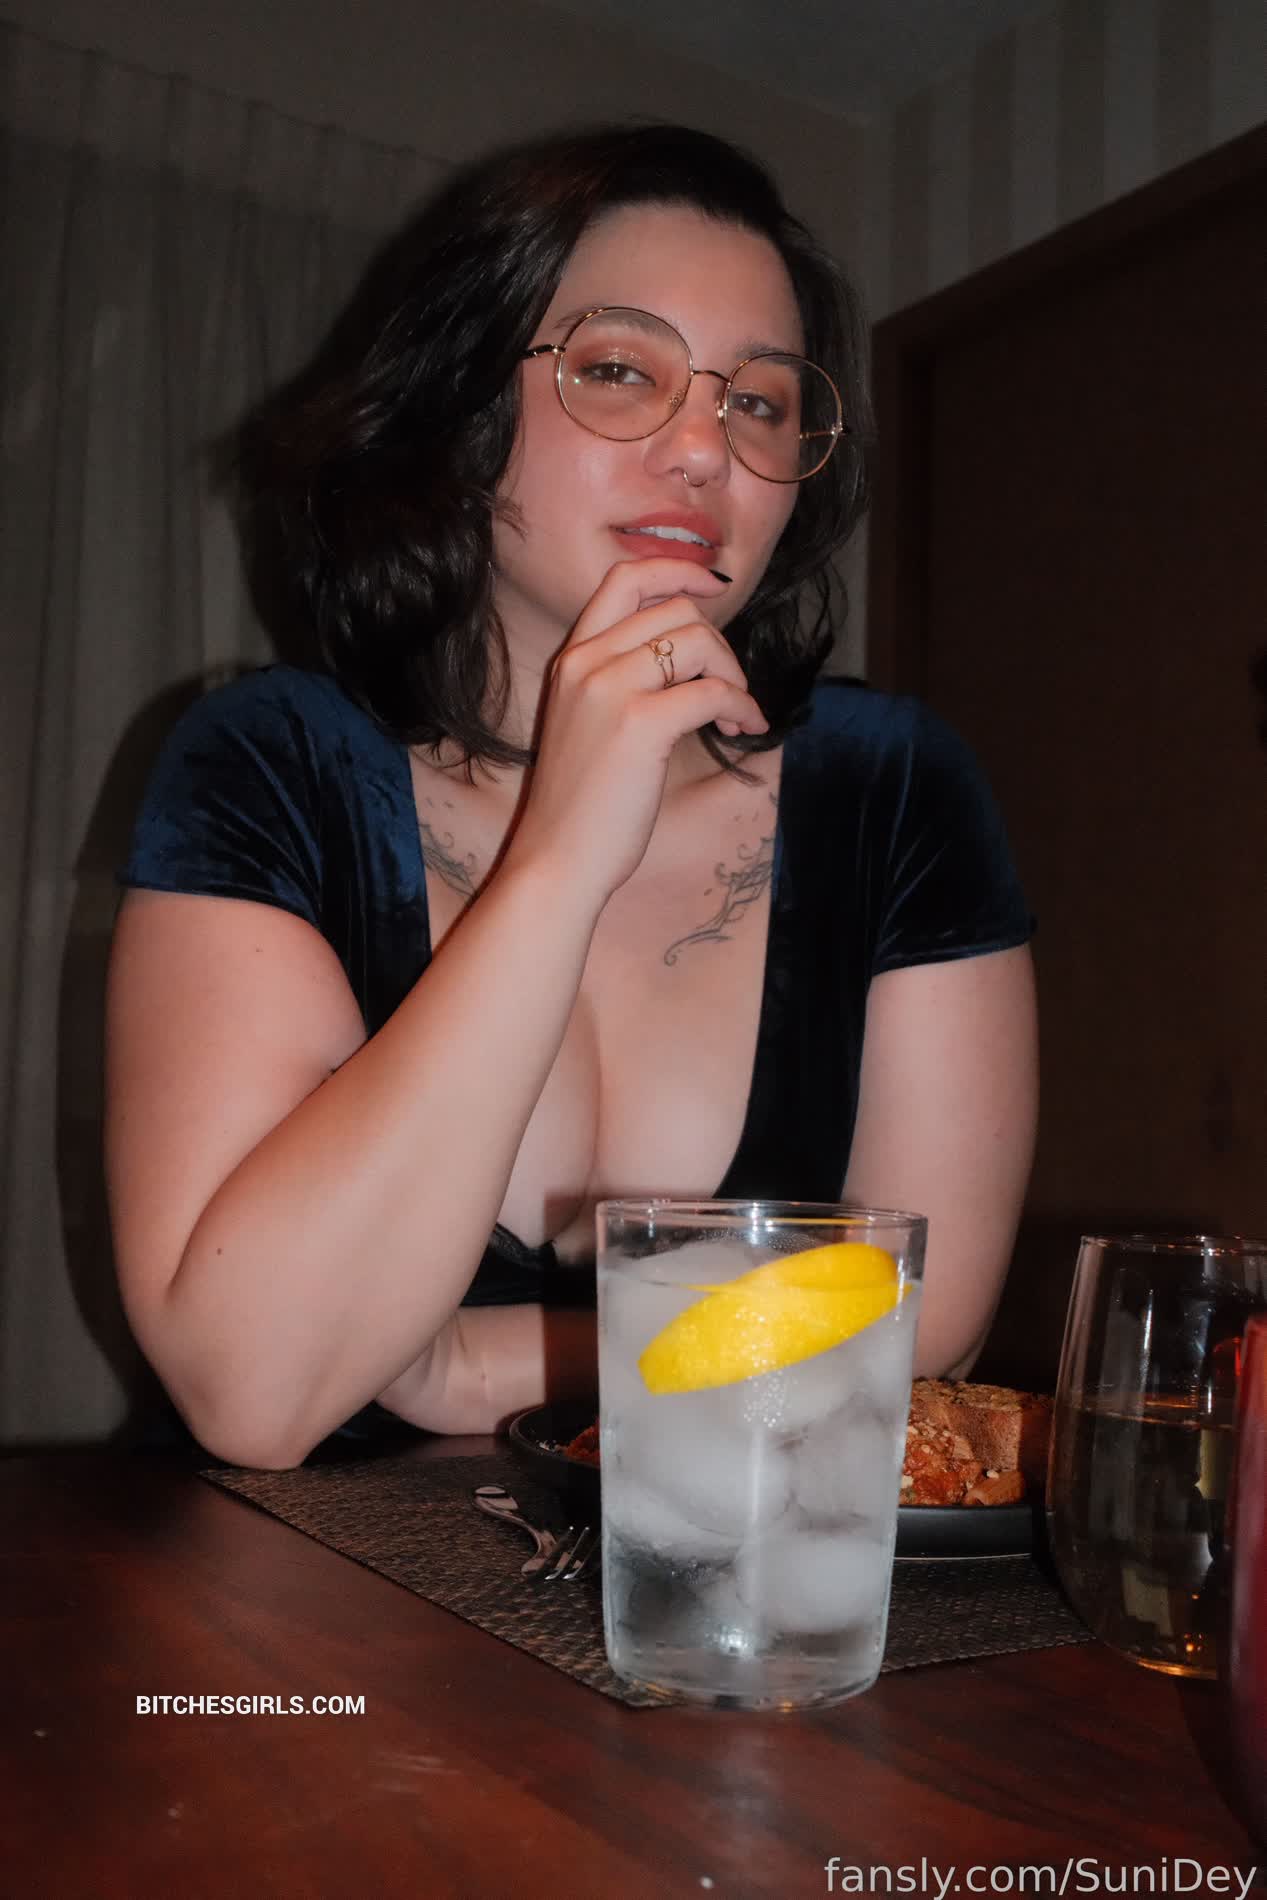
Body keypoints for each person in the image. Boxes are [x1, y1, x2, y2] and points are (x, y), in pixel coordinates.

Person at [105, 123, 1038, 1470]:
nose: (704, 449)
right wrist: (561, 862)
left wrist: (471, 1367)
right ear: (463, 412)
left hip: (733, 1586)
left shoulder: (892, 789)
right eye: (618, 370)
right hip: (290, 1597)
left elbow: (914, 1332)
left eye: (761, 403)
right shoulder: (270, 770)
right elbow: (256, 1390)